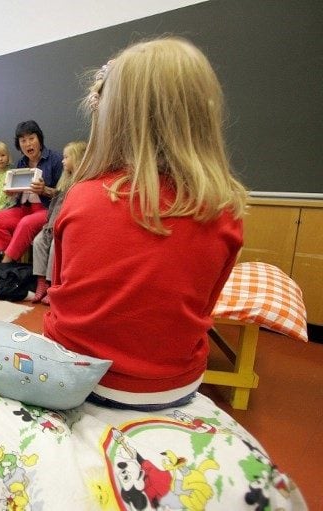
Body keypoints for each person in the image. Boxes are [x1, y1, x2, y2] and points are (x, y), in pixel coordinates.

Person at [43, 37, 247, 411]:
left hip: (78, 375)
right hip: (172, 385)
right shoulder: (224, 210)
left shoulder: (83, 196)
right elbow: (205, 305)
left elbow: (62, 292)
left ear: (109, 116)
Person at [0, 120, 63, 264]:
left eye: (31, 138)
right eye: (23, 140)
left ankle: (5, 265)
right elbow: (20, 193)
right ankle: (14, 263)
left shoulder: (56, 159)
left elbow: (64, 194)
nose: (28, 144)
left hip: (46, 210)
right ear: (19, 144)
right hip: (23, 209)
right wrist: (12, 192)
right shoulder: (21, 163)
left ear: (39, 139)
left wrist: (45, 190)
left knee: (25, 223)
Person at [31, 140, 87, 303]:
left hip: (66, 227)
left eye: (66, 157)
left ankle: (52, 284)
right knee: (39, 241)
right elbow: (55, 203)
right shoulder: (65, 183)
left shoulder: (82, 184)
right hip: (51, 225)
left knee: (56, 246)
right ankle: (41, 282)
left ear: (77, 159)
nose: (62, 161)